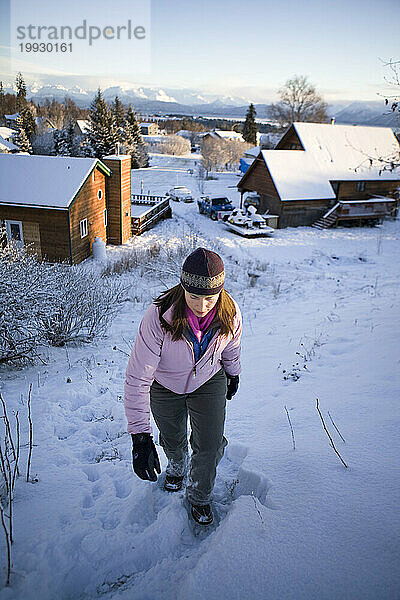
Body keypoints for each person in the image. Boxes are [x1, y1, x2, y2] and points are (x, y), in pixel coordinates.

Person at [124, 247, 242, 525]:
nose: (201, 306)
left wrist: (233, 374)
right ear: (182, 287)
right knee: (173, 437)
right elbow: (138, 378)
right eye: (194, 296)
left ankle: (200, 495)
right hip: (165, 385)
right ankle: (177, 465)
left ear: (220, 293)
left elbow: (232, 347)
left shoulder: (230, 312)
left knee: (210, 444)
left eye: (209, 298)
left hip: (208, 380)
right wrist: (140, 437)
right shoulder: (159, 317)